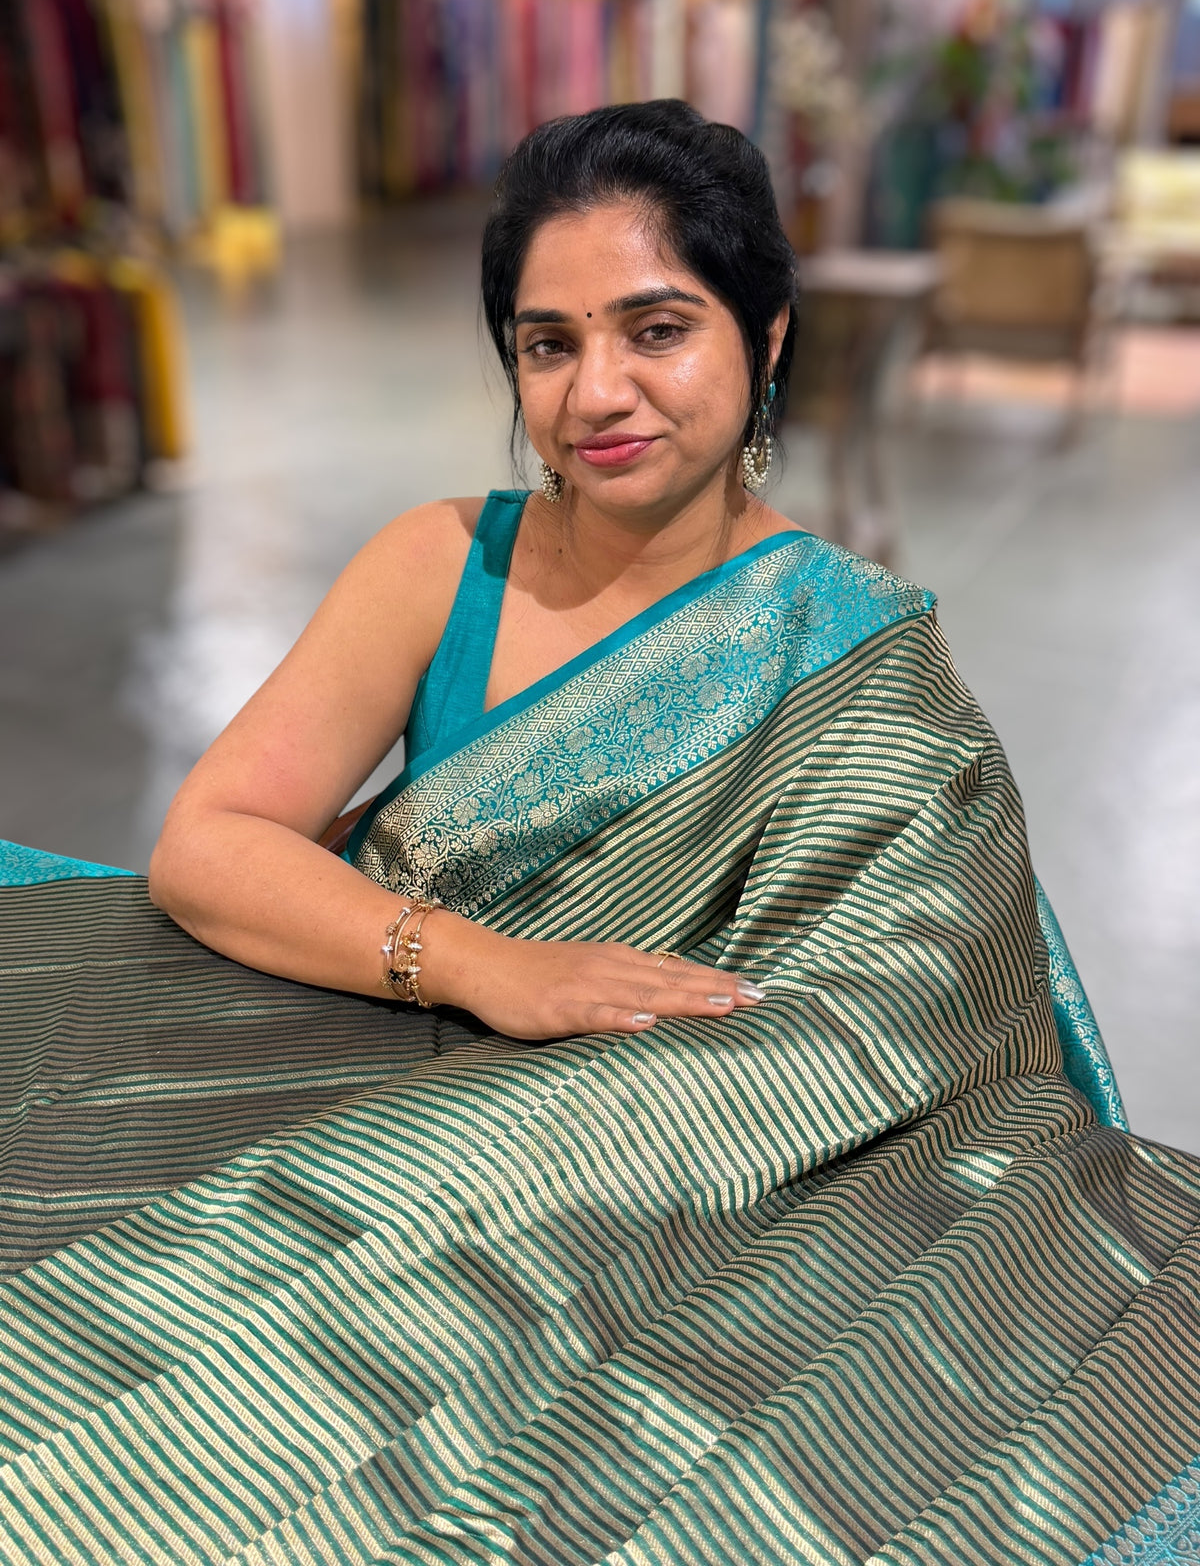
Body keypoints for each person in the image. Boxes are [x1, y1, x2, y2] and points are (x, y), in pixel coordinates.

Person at [0, 100, 1196, 1565]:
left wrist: (606, 1090)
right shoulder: (447, 562)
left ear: (762, 340)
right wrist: (482, 966)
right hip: (361, 1045)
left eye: (656, 329)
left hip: (645, 1154)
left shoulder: (853, 654)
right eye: (549, 343)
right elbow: (212, 840)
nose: (597, 394)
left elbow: (911, 1017)